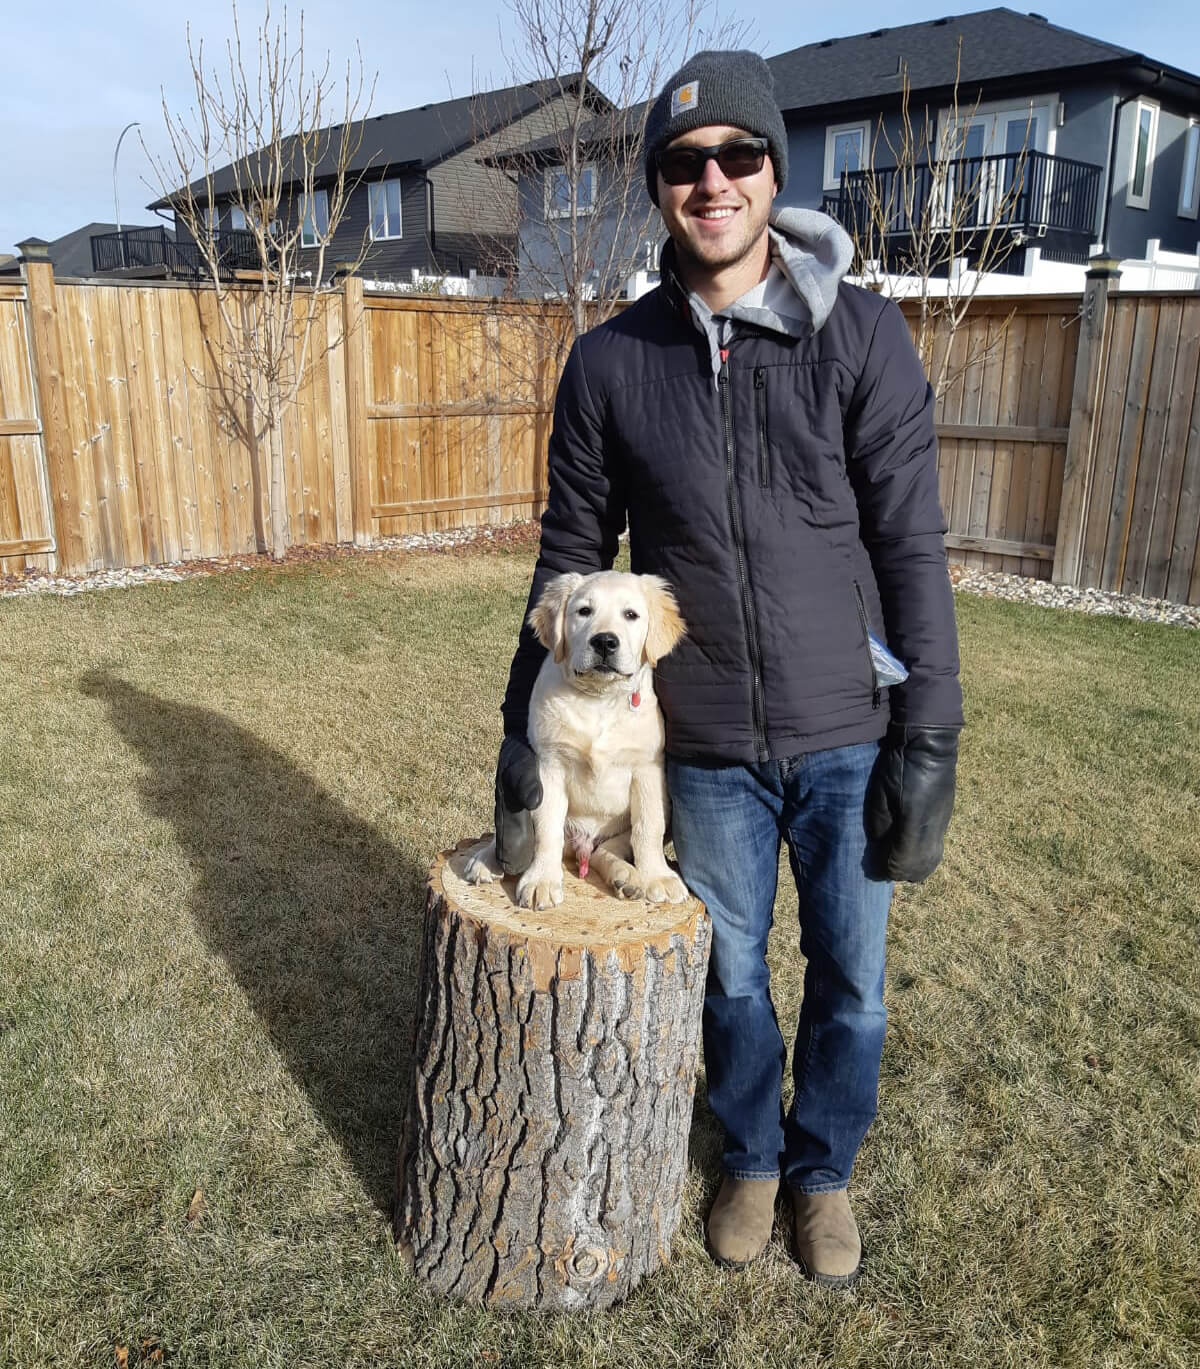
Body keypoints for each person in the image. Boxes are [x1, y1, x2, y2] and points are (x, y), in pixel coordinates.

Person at [491, 49, 962, 1286]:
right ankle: (754, 1154)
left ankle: (824, 1173)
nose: (714, 181)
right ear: (659, 190)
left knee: (851, 980)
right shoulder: (609, 362)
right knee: (735, 973)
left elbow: (910, 537)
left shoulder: (861, 330)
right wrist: (514, 733)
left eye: (738, 158)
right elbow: (571, 550)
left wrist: (933, 725)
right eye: (686, 164)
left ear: (773, 172)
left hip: (848, 722)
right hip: (695, 740)